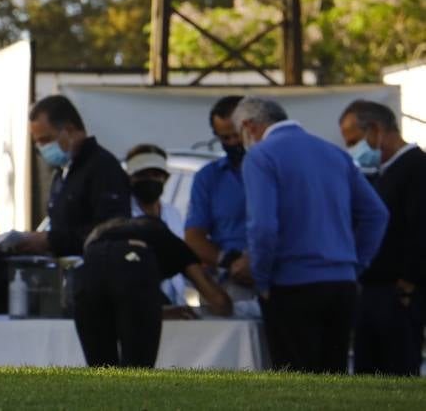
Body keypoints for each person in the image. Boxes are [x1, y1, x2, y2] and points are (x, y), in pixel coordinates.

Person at [233, 96, 388, 373]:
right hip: (341, 283)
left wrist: (263, 278)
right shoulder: (334, 153)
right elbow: (377, 214)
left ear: (249, 126)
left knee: (297, 382)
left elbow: (263, 226)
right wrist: (356, 264)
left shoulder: (262, 156)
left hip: (292, 282)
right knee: (333, 378)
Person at [73, 215, 233, 368]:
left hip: (87, 272)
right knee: (136, 373)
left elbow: (116, 298)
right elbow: (219, 301)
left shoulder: (102, 234)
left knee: (101, 373)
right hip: (134, 264)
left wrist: (157, 312)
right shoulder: (171, 242)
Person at [341, 100, 426, 376]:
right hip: (373, 288)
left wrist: (407, 284)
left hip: (398, 291)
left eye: (354, 140)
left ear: (375, 130)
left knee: (397, 373)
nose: (353, 150)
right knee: (368, 373)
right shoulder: (381, 173)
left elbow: (420, 228)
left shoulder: (417, 167)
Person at [15, 95, 130, 257]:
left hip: (96, 272)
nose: (42, 148)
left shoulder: (102, 167)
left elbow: (111, 230)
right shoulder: (63, 173)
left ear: (69, 130)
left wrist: (50, 240)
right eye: (38, 142)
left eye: (46, 140)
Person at [184, 96, 256, 301]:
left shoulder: (279, 171)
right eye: (225, 138)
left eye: (236, 136)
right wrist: (228, 261)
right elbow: (194, 238)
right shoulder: (209, 178)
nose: (233, 143)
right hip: (232, 280)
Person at [124, 144, 187, 306]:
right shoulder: (122, 216)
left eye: (156, 174)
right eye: (142, 175)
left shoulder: (173, 214)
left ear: (165, 178)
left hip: (176, 304)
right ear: (130, 177)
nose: (149, 180)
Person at [339, 100, 384, 174]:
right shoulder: (382, 173)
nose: (351, 152)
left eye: (353, 143)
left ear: (375, 131)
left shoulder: (407, 169)